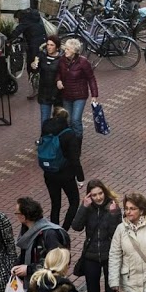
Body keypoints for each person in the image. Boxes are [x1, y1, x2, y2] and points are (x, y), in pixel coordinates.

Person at [72, 180, 123, 292]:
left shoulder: (113, 207)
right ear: (89, 196)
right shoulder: (88, 208)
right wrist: (83, 207)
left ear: (105, 192)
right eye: (94, 195)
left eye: (100, 193)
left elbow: (117, 233)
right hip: (91, 256)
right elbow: (76, 226)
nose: (98, 197)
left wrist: (115, 214)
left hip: (109, 256)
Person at [56, 37, 98, 184]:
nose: (64, 51)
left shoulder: (83, 62)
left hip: (80, 95)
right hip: (67, 95)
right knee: (67, 121)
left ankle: (77, 147)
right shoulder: (62, 60)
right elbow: (59, 72)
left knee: (75, 120)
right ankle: (69, 145)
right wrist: (59, 80)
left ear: (74, 50)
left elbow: (91, 78)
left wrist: (94, 95)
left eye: (67, 49)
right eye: (65, 48)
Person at [40, 107, 83, 229]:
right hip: (66, 174)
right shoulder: (69, 134)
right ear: (66, 118)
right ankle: (64, 229)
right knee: (74, 202)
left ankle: (54, 230)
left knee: (55, 204)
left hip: (49, 173)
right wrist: (80, 177)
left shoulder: (46, 127)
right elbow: (75, 159)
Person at [12, 196, 71, 280]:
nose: (16, 215)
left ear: (23, 217)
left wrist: (29, 269)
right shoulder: (28, 230)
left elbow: (55, 261)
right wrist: (17, 265)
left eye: (17, 213)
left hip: (47, 282)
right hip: (35, 281)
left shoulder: (50, 234)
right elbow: (27, 252)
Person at [33, 36, 64, 122]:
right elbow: (35, 69)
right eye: (48, 45)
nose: (49, 47)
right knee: (44, 120)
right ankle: (45, 135)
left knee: (59, 120)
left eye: (52, 45)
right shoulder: (41, 56)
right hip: (44, 93)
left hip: (57, 93)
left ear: (57, 47)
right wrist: (33, 66)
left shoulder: (62, 59)